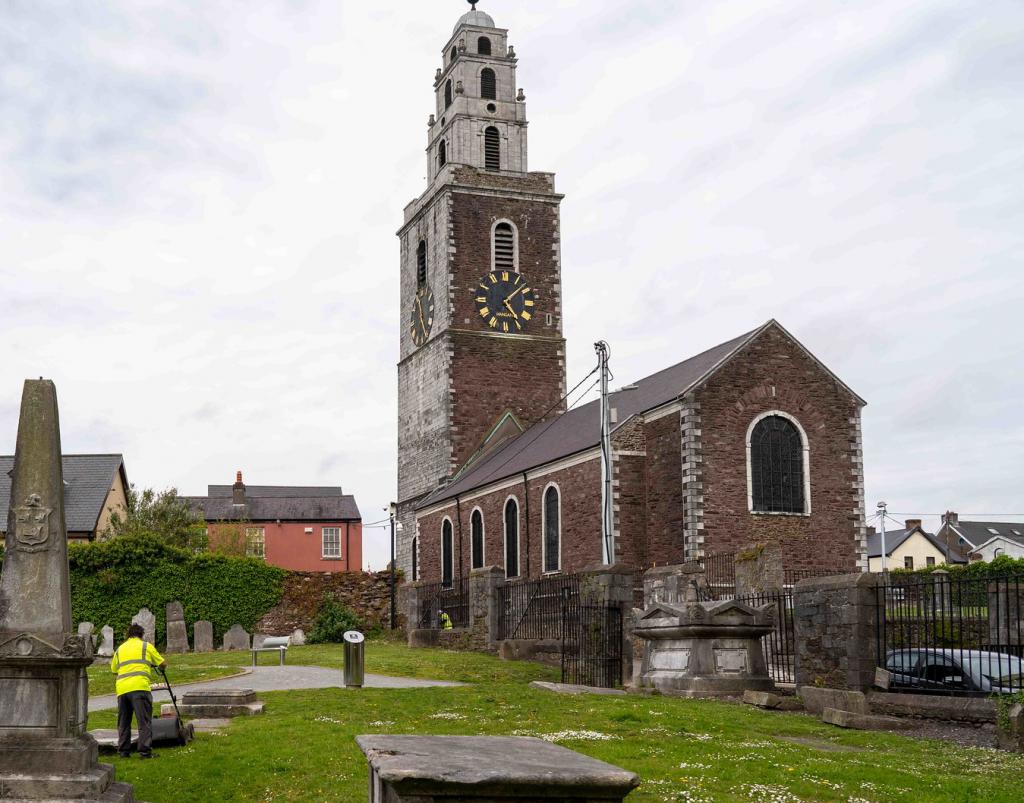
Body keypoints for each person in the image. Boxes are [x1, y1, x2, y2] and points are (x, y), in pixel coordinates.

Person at [111, 623, 166, 759]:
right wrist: (160, 668)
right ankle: (145, 752)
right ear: (141, 635)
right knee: (144, 721)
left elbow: (113, 669)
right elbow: (162, 663)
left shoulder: (120, 649)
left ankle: (123, 752)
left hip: (122, 689)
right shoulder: (146, 646)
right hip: (140, 687)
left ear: (128, 635)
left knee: (124, 722)